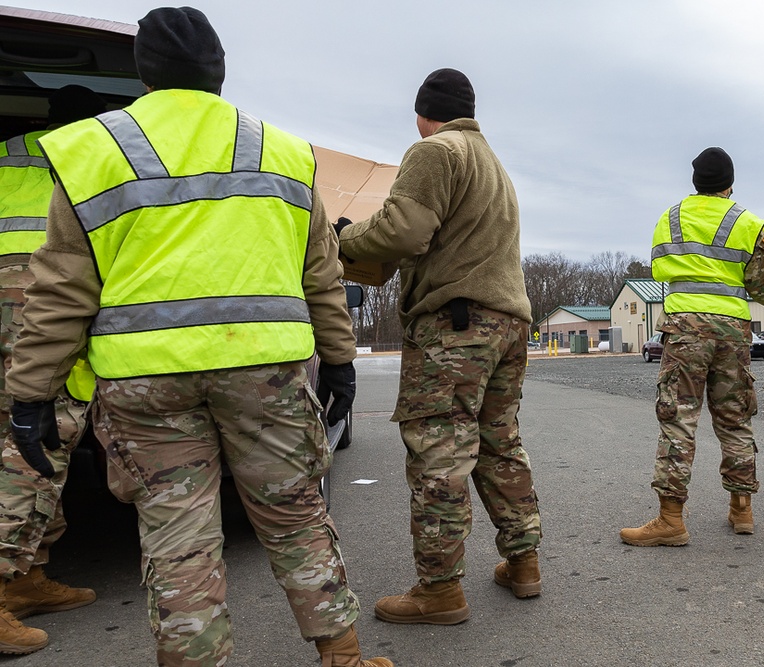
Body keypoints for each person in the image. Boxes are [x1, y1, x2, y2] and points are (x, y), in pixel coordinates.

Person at [4, 8, 389, 666]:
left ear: (146, 73)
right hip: (264, 371)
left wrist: (31, 391)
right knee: (295, 510)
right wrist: (339, 361)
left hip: (145, 381)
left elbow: (62, 290)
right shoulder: (287, 150)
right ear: (219, 72)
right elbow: (321, 276)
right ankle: (344, 655)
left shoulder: (90, 151)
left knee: (177, 534)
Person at [338, 68, 542, 624]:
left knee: (440, 453)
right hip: (506, 322)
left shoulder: (435, 151)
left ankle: (439, 590)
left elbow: (403, 232)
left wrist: (342, 237)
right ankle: (523, 562)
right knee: (498, 442)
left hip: (456, 326)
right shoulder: (491, 163)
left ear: (422, 114)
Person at [619, 147, 764, 546]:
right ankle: (741, 509)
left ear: (695, 181)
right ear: (730, 184)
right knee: (735, 419)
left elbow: (660, 268)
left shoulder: (669, 218)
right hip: (733, 330)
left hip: (684, 328)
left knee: (679, 419)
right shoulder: (750, 223)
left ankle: (671, 520)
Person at [0, 84, 104, 656]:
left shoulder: (7, 153)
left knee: (16, 444)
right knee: (36, 451)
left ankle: (27, 579)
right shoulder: (92, 159)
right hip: (46, 321)